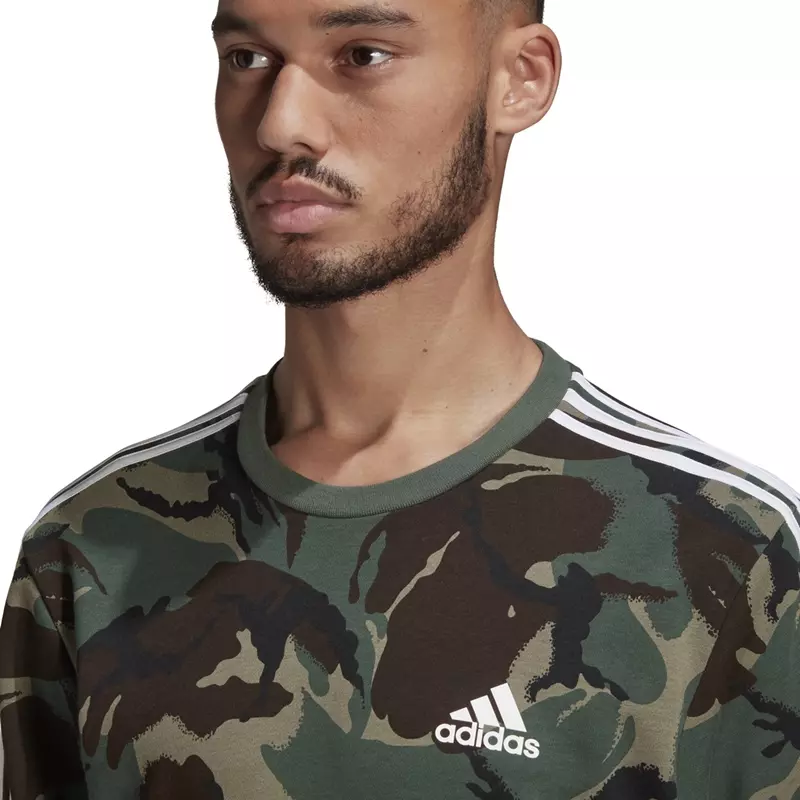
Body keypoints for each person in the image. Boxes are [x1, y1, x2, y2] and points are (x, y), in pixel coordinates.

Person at [1, 0, 798, 796]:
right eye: (247, 59)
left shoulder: (727, 554)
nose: (280, 125)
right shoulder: (93, 549)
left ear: (519, 79)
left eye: (363, 55)